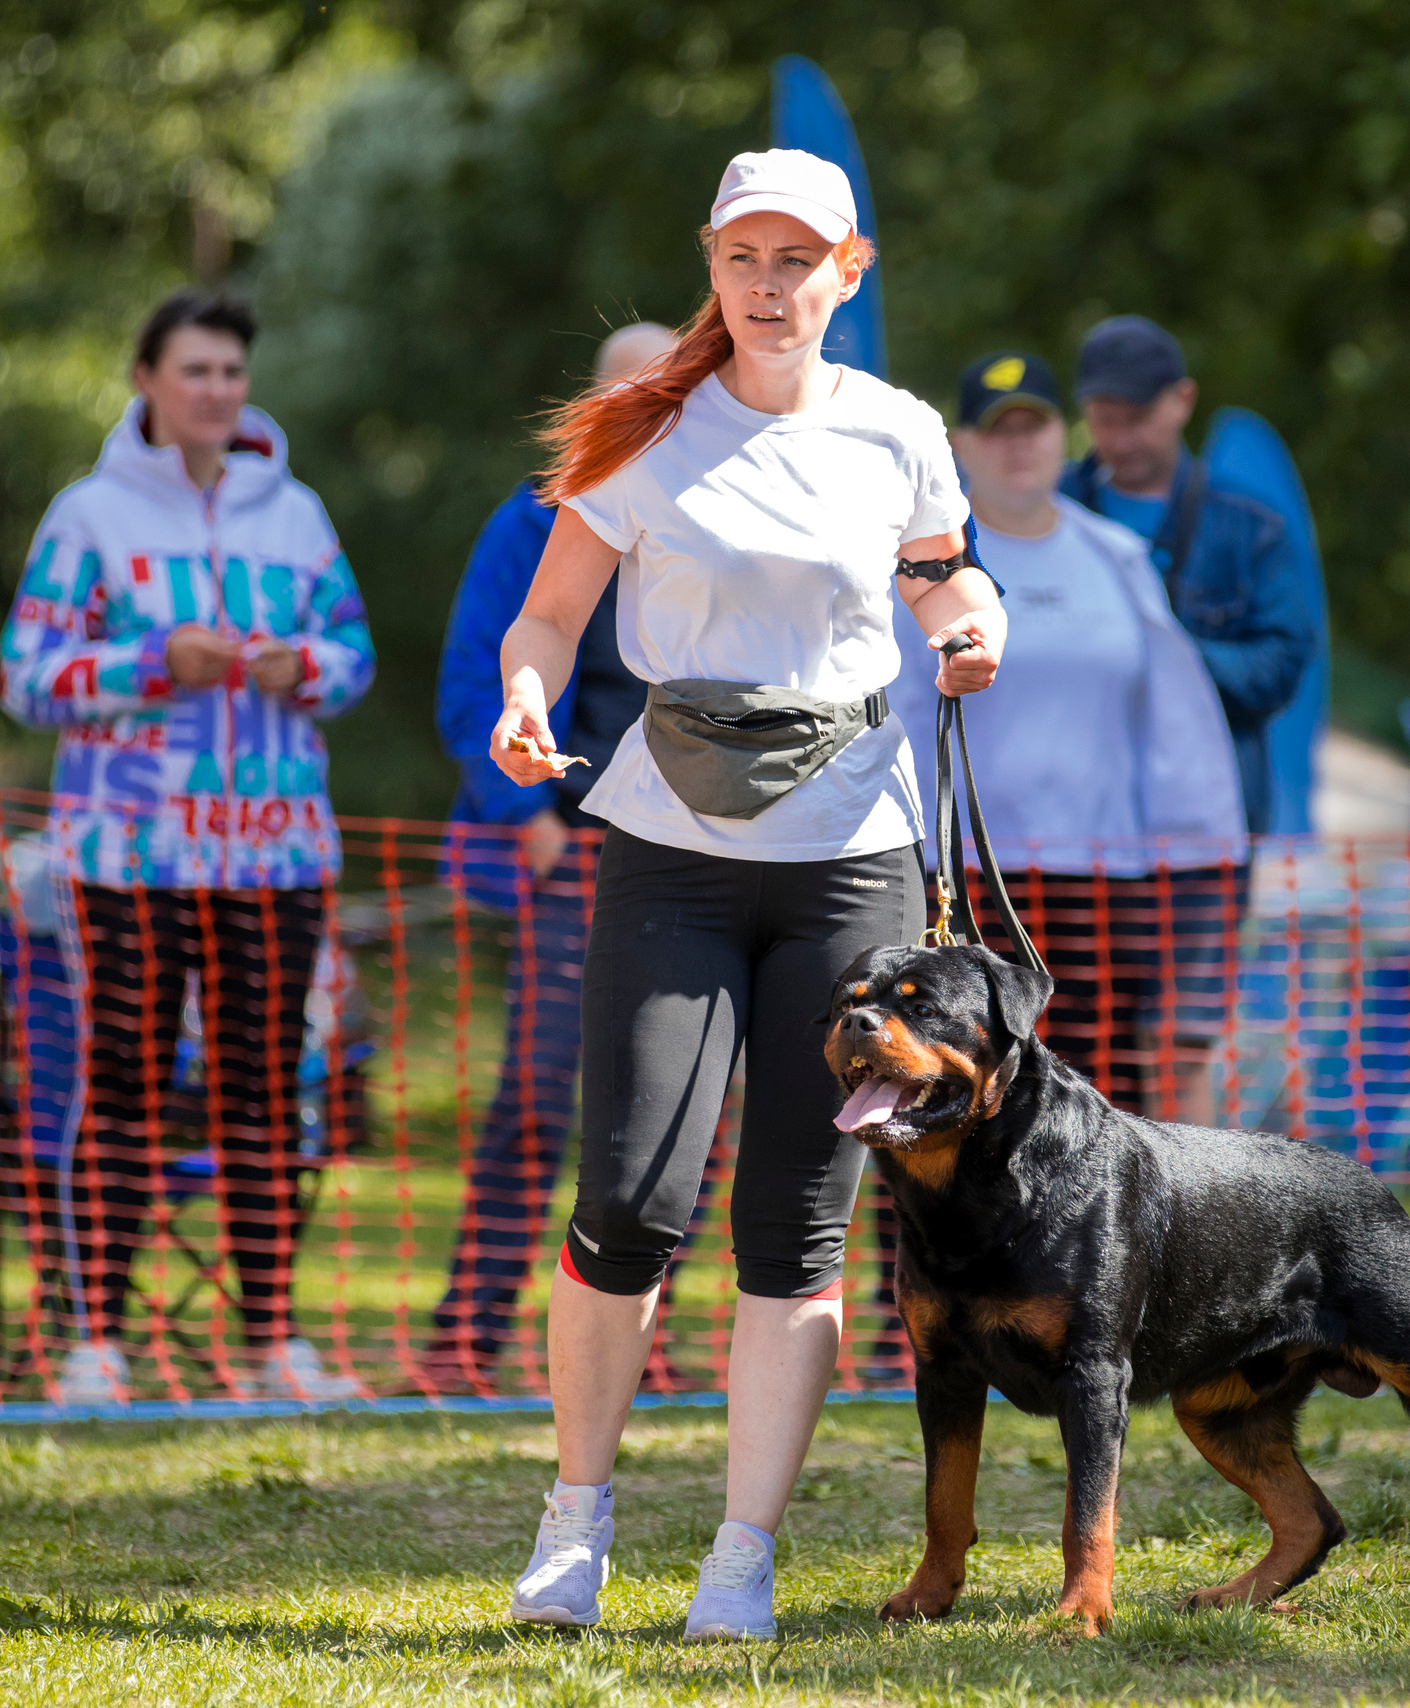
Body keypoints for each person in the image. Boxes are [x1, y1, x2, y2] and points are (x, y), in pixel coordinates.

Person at [482, 149, 1004, 1640]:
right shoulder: (643, 431)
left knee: (799, 1225)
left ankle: (742, 1557)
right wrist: (526, 701)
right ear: (710, 264)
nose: (767, 288)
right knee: (631, 1201)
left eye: (798, 260)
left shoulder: (898, 432)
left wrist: (977, 634)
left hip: (854, 858)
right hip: (671, 848)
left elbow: (946, 583)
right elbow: (548, 616)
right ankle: (574, 1523)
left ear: (853, 267)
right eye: (742, 259)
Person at [0, 288, 375, 1405]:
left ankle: (270, 1345)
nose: (217, 391)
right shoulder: (87, 517)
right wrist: (154, 661)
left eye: (231, 373)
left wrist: (294, 666)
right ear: (146, 379)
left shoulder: (296, 514)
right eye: (196, 370)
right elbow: (27, 677)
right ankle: (95, 1347)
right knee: (121, 1089)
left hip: (276, 859)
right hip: (127, 859)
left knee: (269, 1095)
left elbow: (350, 655)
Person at [884, 351, 1245, 1115]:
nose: (1019, 445)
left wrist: (1195, 849)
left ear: (1063, 435)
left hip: (1103, 885)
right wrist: (907, 859)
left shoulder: (1116, 559)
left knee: (1090, 1111)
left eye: (1036, 425)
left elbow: (1175, 728)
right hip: (963, 881)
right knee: (941, 1095)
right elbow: (897, 717)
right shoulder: (922, 566)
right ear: (963, 444)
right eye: (996, 428)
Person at [425, 321, 676, 1391]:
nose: (642, 413)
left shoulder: (719, 519)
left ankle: (644, 1344)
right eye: (623, 393)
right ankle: (465, 1339)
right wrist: (520, 810)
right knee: (537, 1094)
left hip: (690, 847)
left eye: (661, 393)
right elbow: (475, 679)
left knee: (674, 1110)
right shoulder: (530, 519)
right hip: (570, 847)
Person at [1058, 315, 1317, 835]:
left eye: (1138, 417)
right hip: (1071, 822)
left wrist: (1166, 656)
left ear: (1183, 400)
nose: (1122, 438)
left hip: (1209, 821)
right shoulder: (1047, 511)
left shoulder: (1251, 526)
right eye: (1106, 419)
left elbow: (1283, 667)